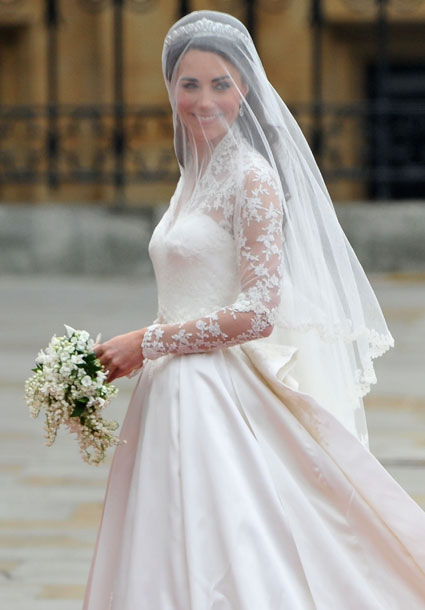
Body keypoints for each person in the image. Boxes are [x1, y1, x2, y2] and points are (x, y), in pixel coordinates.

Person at [84, 10, 425, 609]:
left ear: (245, 89)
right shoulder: (193, 174)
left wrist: (147, 343)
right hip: (169, 389)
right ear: (171, 89)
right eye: (189, 84)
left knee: (236, 540)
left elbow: (258, 312)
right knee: (166, 537)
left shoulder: (251, 177)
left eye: (221, 83)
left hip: (221, 388)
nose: (204, 99)